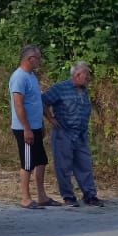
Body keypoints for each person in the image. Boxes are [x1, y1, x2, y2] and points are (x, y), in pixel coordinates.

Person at [42, 60, 102, 206]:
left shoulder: (84, 90)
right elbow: (43, 101)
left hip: (80, 134)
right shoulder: (60, 88)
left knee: (85, 165)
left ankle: (90, 195)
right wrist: (50, 118)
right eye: (86, 75)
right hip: (64, 133)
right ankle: (68, 196)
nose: (89, 78)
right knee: (63, 167)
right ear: (77, 74)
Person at [8, 45, 54, 208]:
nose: (40, 61)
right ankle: (25, 198)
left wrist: (48, 120)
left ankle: (42, 196)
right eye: (38, 58)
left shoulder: (32, 76)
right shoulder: (19, 77)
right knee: (27, 163)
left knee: (41, 160)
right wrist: (27, 128)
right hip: (24, 128)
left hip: (36, 126)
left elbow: (38, 100)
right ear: (30, 59)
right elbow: (18, 105)